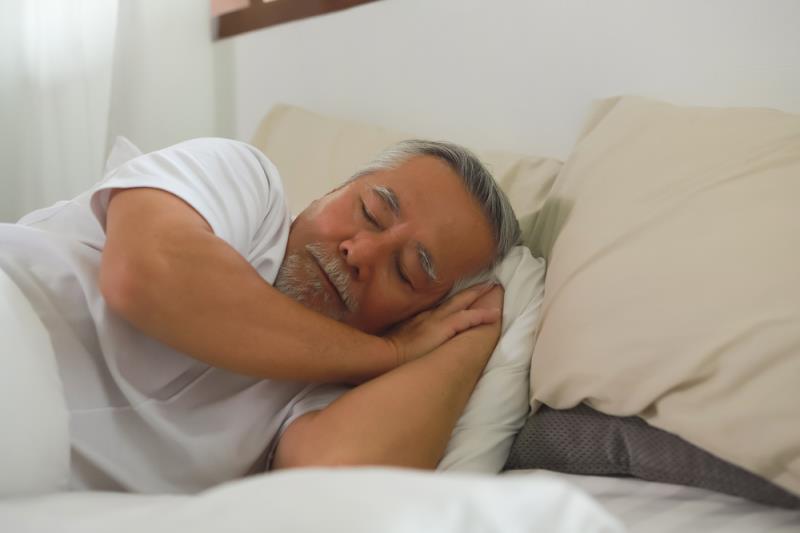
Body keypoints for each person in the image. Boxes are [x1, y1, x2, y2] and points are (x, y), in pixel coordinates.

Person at [0, 137, 520, 493]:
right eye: (370, 212)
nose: (359, 253)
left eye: (406, 272)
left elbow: (337, 487)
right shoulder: (244, 185)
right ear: (332, 190)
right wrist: (390, 352)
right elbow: (145, 275)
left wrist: (471, 338)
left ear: (421, 314)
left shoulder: (329, 397)